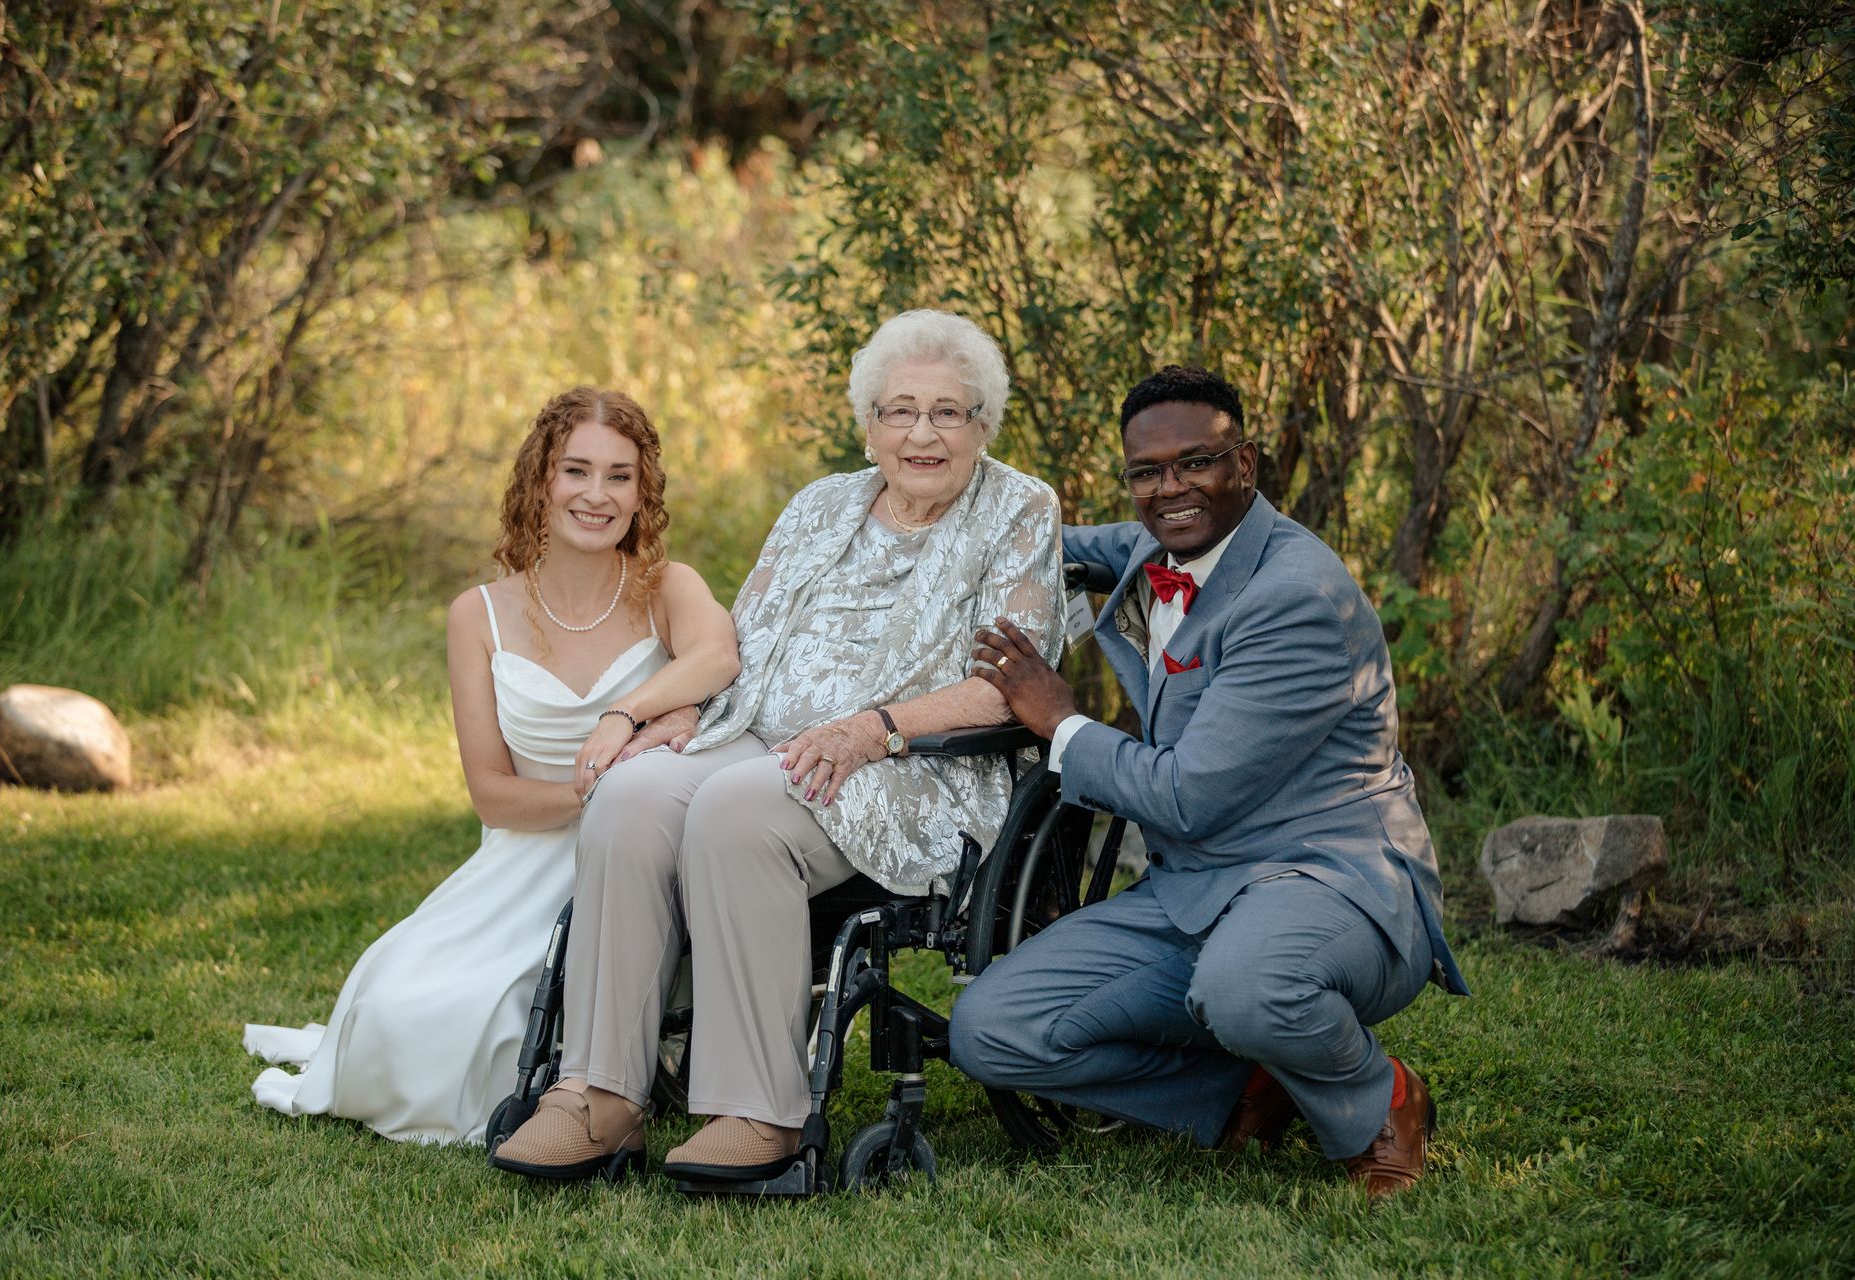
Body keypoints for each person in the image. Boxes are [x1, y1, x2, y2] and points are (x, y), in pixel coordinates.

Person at [488, 310, 1065, 1186]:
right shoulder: (820, 504)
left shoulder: (1020, 508)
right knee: (633, 793)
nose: (921, 434)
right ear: (868, 424)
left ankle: (756, 1108)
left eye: (948, 412)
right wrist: (687, 716)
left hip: (913, 764)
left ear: (983, 425)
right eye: (900, 411)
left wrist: (873, 728)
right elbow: (745, 641)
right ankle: (600, 1093)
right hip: (765, 738)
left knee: (737, 806)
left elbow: (1006, 684)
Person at [952, 364, 1470, 1198]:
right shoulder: (1157, 544)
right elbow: (1052, 539)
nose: (1171, 489)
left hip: (1328, 880)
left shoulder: (1297, 598)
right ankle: (1246, 1085)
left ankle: (1379, 1099)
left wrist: (1061, 721)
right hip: (1192, 890)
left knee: (1248, 988)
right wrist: (925, 519)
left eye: (1196, 463)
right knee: (991, 1029)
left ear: (1246, 464)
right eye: (1147, 473)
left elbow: (1186, 797)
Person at [242, 387, 740, 1144]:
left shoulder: (669, 588)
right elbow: (492, 795)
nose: (597, 495)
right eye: (576, 471)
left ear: (643, 494)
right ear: (541, 480)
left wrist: (625, 715)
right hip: (518, 865)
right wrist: (602, 787)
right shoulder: (477, 615)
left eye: (620, 476)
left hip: (639, 860)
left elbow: (718, 656)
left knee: (491, 1019)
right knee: (395, 1011)